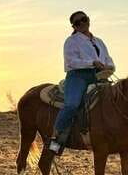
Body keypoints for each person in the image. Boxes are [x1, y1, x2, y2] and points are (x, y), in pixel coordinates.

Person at [48, 11, 115, 153]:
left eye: (84, 20)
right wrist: (92, 62)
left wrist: (109, 65)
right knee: (72, 105)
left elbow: (107, 58)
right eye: (78, 23)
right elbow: (71, 62)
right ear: (74, 26)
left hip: (99, 76)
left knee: (116, 99)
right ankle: (56, 138)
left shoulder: (99, 41)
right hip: (78, 76)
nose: (82, 23)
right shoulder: (71, 41)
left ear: (88, 20)